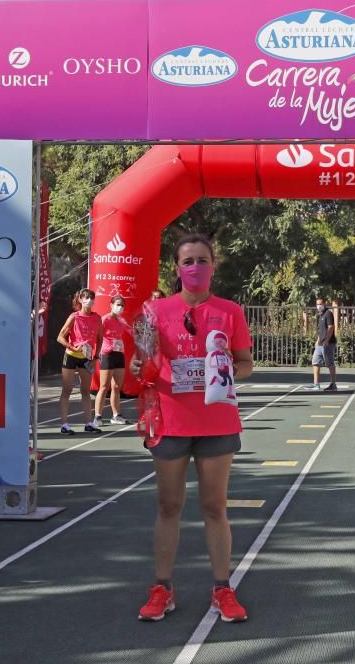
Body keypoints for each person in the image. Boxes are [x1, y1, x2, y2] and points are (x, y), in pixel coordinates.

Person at [130, 233, 254, 624]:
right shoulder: (154, 311)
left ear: (213, 266)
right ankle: (162, 588)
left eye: (202, 260)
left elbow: (246, 363)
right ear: (177, 268)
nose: (195, 267)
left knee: (215, 507)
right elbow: (143, 364)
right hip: (170, 421)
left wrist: (226, 371)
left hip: (216, 421)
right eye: (188, 261)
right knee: (169, 506)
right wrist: (137, 369)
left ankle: (222, 589)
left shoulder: (230, 311)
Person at [56, 288, 103, 435]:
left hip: (87, 358)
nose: (90, 300)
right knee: (67, 389)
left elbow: (100, 339)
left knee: (85, 390)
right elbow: (60, 337)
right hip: (71, 355)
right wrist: (72, 346)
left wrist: (96, 357)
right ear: (81, 300)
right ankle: (64, 424)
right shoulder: (74, 317)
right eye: (86, 297)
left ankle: (89, 423)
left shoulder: (97, 318)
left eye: (92, 298)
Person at [93, 294, 130, 428]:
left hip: (119, 354)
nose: (120, 307)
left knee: (116, 387)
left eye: (122, 305)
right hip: (107, 354)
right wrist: (97, 353)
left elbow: (131, 331)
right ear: (111, 305)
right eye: (117, 304)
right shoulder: (105, 319)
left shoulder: (121, 320)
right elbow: (97, 336)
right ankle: (97, 416)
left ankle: (116, 415)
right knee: (104, 387)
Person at [309, 297, 337, 392]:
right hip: (320, 343)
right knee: (315, 362)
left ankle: (333, 384)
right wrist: (318, 340)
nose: (318, 306)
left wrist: (326, 340)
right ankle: (316, 384)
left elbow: (331, 327)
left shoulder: (328, 313)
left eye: (320, 304)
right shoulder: (320, 315)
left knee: (329, 363)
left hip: (328, 343)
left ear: (324, 303)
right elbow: (320, 331)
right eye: (317, 304)